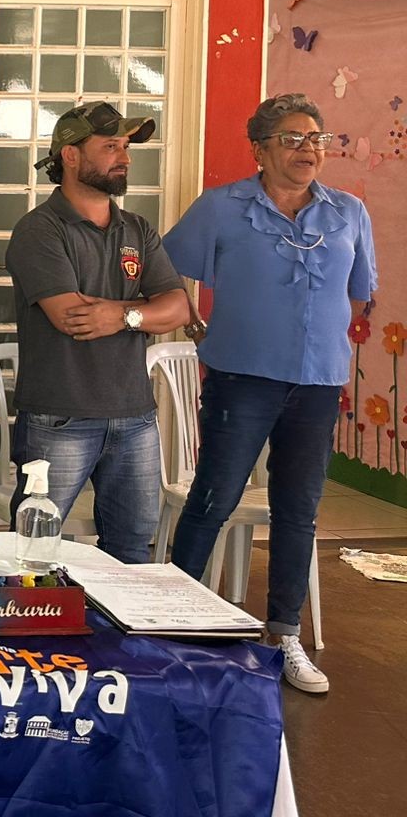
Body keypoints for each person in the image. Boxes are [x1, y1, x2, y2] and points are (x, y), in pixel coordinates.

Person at [162, 94, 375, 694]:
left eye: (317, 138)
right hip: (241, 377)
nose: (309, 149)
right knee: (214, 498)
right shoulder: (222, 206)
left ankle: (284, 635)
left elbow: (360, 290)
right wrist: (193, 321)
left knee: (298, 509)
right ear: (259, 148)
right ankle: (173, 625)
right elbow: (165, 268)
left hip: (319, 381)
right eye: (292, 138)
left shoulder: (349, 211)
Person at [5, 100, 189, 564]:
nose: (124, 157)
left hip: (136, 416)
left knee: (132, 551)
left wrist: (122, 316)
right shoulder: (39, 230)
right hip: (60, 418)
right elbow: (73, 317)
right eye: (110, 147)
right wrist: (145, 308)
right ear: (70, 155)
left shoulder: (138, 229)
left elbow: (179, 308)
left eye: (125, 147)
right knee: (33, 552)